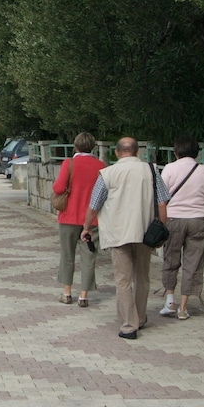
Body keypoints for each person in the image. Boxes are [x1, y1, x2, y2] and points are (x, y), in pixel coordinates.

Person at [81, 137, 170, 339]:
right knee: (142, 278)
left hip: (118, 233)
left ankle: (129, 325)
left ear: (116, 152)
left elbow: (94, 205)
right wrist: (162, 229)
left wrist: (86, 228)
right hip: (145, 233)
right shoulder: (152, 170)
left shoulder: (107, 174)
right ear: (137, 152)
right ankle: (141, 318)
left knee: (123, 281)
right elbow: (162, 202)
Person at [159, 136, 204, 320]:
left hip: (173, 219)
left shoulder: (169, 169)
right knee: (193, 263)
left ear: (176, 152)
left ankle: (170, 300)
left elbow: (161, 198)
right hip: (198, 220)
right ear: (196, 152)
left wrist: (160, 222)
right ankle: (184, 307)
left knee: (171, 259)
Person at [52, 132, 106, 307]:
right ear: (93, 147)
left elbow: (59, 188)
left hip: (68, 216)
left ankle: (67, 293)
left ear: (75, 146)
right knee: (89, 257)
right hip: (92, 220)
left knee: (67, 255)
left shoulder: (69, 163)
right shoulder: (100, 166)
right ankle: (84, 295)